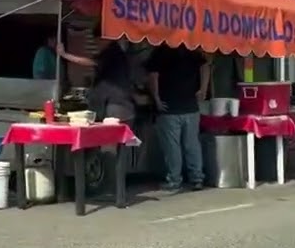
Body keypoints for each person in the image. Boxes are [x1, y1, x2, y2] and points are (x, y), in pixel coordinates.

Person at [149, 45, 211, 191]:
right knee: (192, 144)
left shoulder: (160, 51)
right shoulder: (191, 49)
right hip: (191, 108)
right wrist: (203, 89)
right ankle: (197, 179)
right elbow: (205, 66)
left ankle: (174, 180)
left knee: (172, 147)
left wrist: (156, 98)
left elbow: (153, 76)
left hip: (169, 108)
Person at [54, 35, 138, 122]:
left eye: (97, 42)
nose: (97, 45)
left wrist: (65, 55)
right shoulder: (116, 53)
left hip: (115, 104)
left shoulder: (111, 52)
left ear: (104, 39)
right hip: (119, 103)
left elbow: (90, 62)